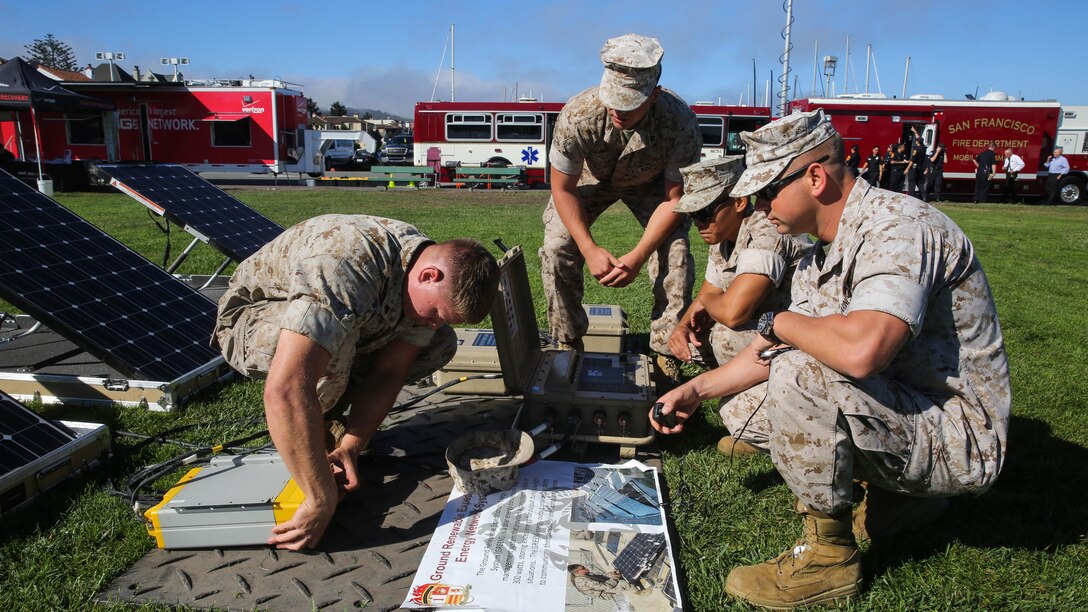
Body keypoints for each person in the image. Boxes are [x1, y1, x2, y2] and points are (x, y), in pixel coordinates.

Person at [649, 110, 1010, 609]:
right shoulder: (822, 251)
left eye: (768, 190)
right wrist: (695, 390)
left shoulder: (897, 227)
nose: (757, 206)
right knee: (764, 390)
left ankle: (828, 558)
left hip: (960, 439)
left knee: (800, 373)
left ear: (816, 177)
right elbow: (768, 350)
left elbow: (861, 352)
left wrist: (777, 324)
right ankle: (900, 501)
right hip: (912, 409)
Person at [213, 215, 499, 550]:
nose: (433, 322)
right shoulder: (344, 265)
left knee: (440, 344)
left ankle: (330, 433)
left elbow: (390, 372)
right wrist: (319, 500)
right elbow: (287, 388)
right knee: (334, 352)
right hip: (251, 319)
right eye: (435, 313)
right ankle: (312, 431)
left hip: (353, 324)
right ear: (429, 275)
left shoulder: (421, 273)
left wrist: (353, 443)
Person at [540, 33, 701, 385]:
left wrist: (639, 255)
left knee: (675, 252)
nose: (616, 110)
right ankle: (567, 342)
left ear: (654, 95)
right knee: (557, 247)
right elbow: (562, 187)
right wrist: (589, 248)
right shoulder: (578, 114)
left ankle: (664, 350)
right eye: (612, 99)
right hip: (589, 179)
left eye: (628, 104)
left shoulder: (679, 123)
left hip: (651, 184)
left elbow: (675, 199)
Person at [666, 155, 809, 456]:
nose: (699, 224)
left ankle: (766, 414)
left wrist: (707, 303)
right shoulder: (724, 236)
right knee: (694, 334)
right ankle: (750, 395)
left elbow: (733, 313)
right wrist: (681, 326)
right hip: (769, 333)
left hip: (800, 342)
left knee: (723, 336)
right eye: (693, 216)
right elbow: (712, 290)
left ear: (740, 201)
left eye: (705, 212)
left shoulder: (764, 232)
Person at [567, 564, 635, 601]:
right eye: (583, 568)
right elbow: (607, 586)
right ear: (577, 572)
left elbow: (601, 576)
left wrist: (612, 574)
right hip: (607, 593)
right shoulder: (583, 581)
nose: (586, 568)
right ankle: (639, 592)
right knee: (623, 583)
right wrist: (616, 577)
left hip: (605, 586)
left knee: (620, 576)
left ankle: (636, 578)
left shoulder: (586, 574)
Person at [909, 132, 928, 199]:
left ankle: (911, 196)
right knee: (920, 183)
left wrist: (907, 168)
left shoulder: (916, 149)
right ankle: (924, 197)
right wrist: (915, 132)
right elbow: (920, 140)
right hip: (921, 167)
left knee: (912, 181)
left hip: (914, 167)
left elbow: (913, 160)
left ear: (917, 142)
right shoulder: (924, 148)